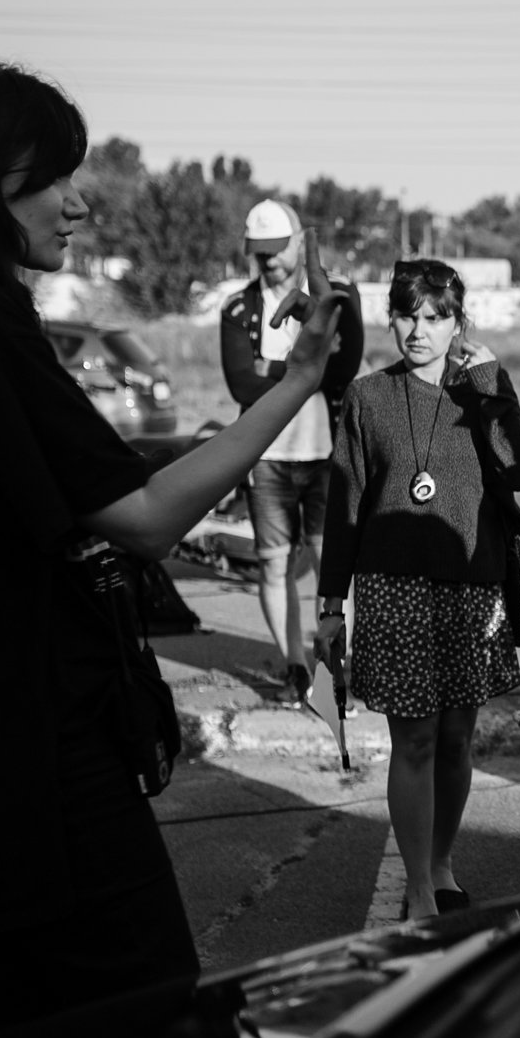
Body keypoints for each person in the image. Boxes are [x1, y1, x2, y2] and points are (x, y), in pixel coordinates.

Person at [0, 61, 347, 1038]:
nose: (78, 202)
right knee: (152, 1027)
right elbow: (141, 515)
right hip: (38, 757)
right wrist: (299, 382)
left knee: (1, 1027)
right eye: (48, 178)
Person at [314, 259, 520, 920]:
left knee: (456, 739)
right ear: (390, 318)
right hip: (393, 590)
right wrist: (330, 606)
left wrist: (491, 383)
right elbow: (344, 507)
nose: (419, 330)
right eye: (408, 315)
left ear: (457, 322)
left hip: (472, 586)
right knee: (413, 740)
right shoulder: (366, 396)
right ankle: (416, 885)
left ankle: (441, 863)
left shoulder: (481, 390)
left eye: (436, 317)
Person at [220, 199, 365, 701]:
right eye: (258, 252)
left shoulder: (335, 294)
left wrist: (273, 367)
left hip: (324, 454)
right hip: (266, 458)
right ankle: (295, 668)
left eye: (276, 250)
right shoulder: (238, 308)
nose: (267, 260)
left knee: (330, 569)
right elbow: (240, 383)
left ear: (299, 243)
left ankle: (336, 669)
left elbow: (343, 371)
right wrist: (306, 369)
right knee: (273, 565)